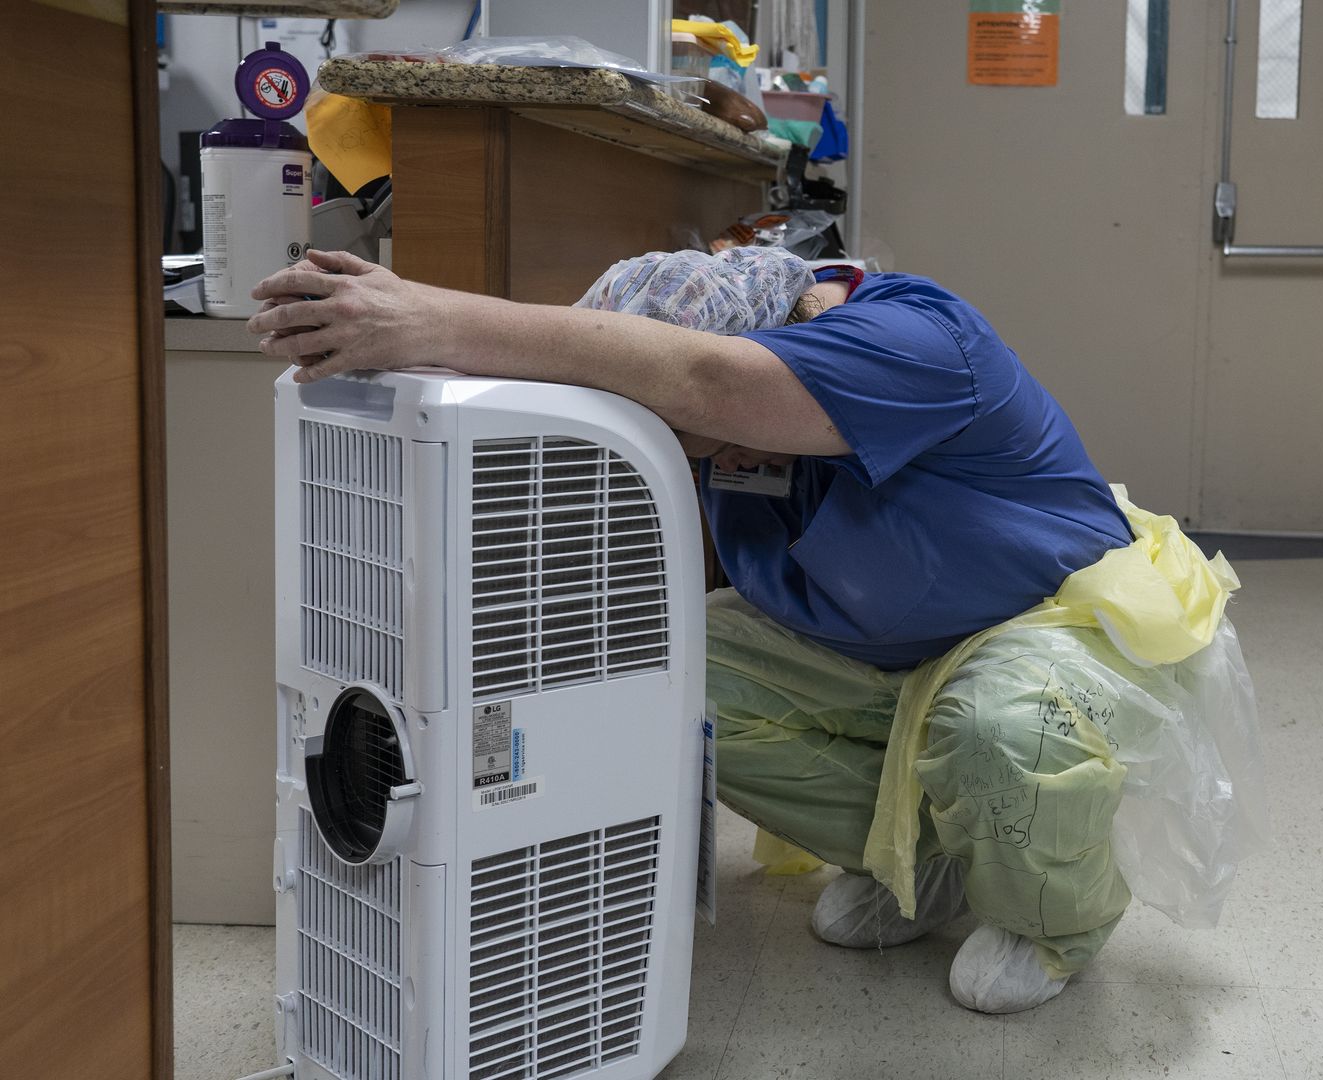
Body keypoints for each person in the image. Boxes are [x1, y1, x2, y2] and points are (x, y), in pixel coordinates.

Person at [248, 247, 1255, 1014]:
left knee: (1003, 729)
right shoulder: (730, 434)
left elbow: (709, 383)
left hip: (1048, 626)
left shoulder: (911, 336)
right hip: (878, 650)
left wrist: (433, 314)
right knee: (664, 684)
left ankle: (1055, 920)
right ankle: (926, 854)